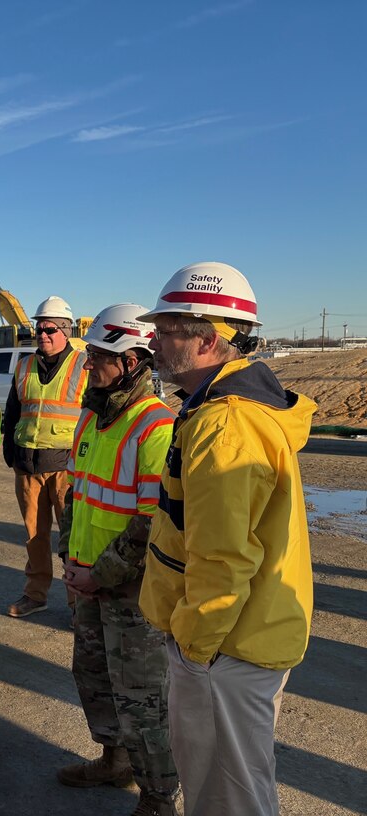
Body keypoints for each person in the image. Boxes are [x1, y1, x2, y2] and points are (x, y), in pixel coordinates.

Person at [137, 262, 315, 816]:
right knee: (236, 788)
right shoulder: (220, 413)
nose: (154, 342)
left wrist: (194, 648)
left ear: (208, 340)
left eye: (166, 331)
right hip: (236, 640)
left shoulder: (225, 426)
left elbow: (223, 558)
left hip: (223, 648)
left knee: (224, 798)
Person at [56, 304, 179, 816]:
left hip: (133, 591)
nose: (87, 366)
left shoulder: (157, 426)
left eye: (98, 358)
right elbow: (76, 493)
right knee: (94, 678)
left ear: (131, 362)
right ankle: (114, 761)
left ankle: (158, 798)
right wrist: (69, 556)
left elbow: (152, 523)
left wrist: (97, 573)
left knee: (142, 699)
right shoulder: (91, 416)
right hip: (88, 580)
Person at [2, 295, 89, 618]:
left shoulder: (84, 365)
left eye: (50, 329)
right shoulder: (24, 365)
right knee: (34, 537)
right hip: (28, 464)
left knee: (72, 539)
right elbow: (13, 410)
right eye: (39, 329)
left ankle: (78, 603)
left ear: (65, 330)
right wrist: (9, 447)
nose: (42, 335)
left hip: (66, 466)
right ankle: (35, 594)